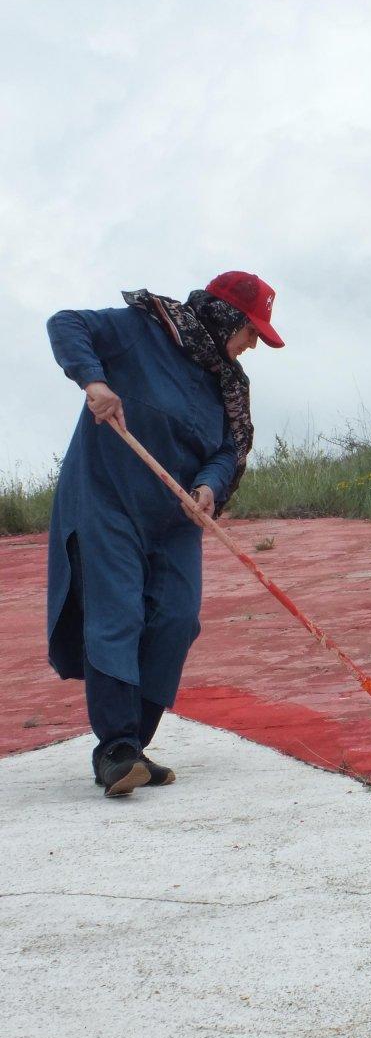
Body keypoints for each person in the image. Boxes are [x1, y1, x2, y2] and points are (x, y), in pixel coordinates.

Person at [46, 271, 284, 797]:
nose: (251, 347)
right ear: (226, 317)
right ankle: (116, 749)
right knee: (118, 614)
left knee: (178, 618)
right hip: (108, 498)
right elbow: (66, 324)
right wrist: (95, 382)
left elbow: (227, 451)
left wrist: (208, 485)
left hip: (175, 516)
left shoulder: (226, 384)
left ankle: (133, 744)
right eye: (250, 333)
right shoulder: (143, 329)